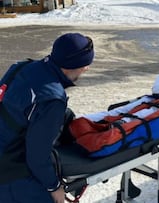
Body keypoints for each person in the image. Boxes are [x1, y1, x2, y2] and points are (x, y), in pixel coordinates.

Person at [0, 33, 94, 203]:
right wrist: (54, 187)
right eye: (86, 64)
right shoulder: (52, 99)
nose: (86, 69)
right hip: (10, 171)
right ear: (76, 65)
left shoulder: (21, 66)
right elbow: (37, 156)